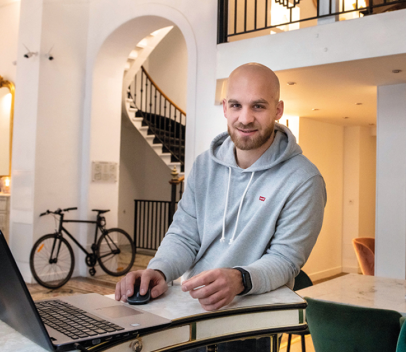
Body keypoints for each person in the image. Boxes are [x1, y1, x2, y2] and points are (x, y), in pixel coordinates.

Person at [115, 62, 326, 349]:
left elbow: (286, 260)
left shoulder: (303, 179)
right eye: (237, 105)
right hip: (188, 309)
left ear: (278, 111)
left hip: (250, 323)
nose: (245, 118)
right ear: (225, 108)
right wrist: (160, 271)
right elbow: (185, 234)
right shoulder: (204, 165)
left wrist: (240, 279)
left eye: (259, 106)